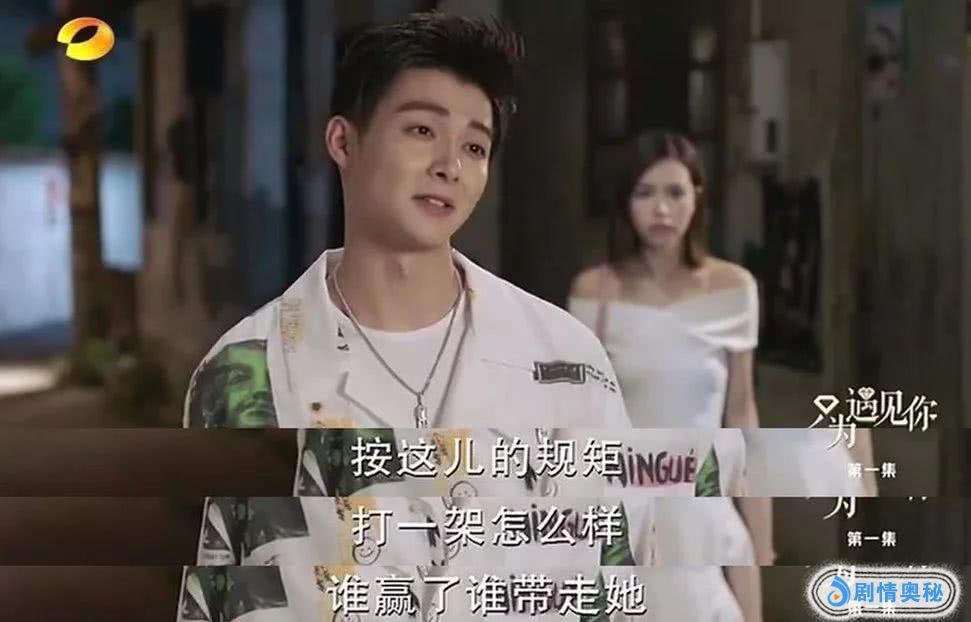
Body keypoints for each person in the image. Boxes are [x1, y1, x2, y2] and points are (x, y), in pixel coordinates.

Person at [178, 12, 643, 622]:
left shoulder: (564, 361)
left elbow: (614, 577)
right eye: (422, 130)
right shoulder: (247, 374)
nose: (451, 165)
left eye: (474, 146)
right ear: (343, 142)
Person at [568, 130, 774, 621]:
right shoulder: (594, 292)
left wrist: (761, 530)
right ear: (626, 202)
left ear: (696, 198)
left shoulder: (733, 288)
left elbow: (741, 411)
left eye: (675, 192)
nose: (661, 209)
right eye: (645, 193)